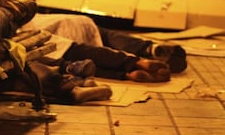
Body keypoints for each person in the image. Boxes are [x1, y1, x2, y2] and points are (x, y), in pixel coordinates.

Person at [20, 13, 186, 83]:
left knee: (77, 63)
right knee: (106, 37)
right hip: (66, 27)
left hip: (44, 50)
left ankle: (126, 73)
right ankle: (146, 52)